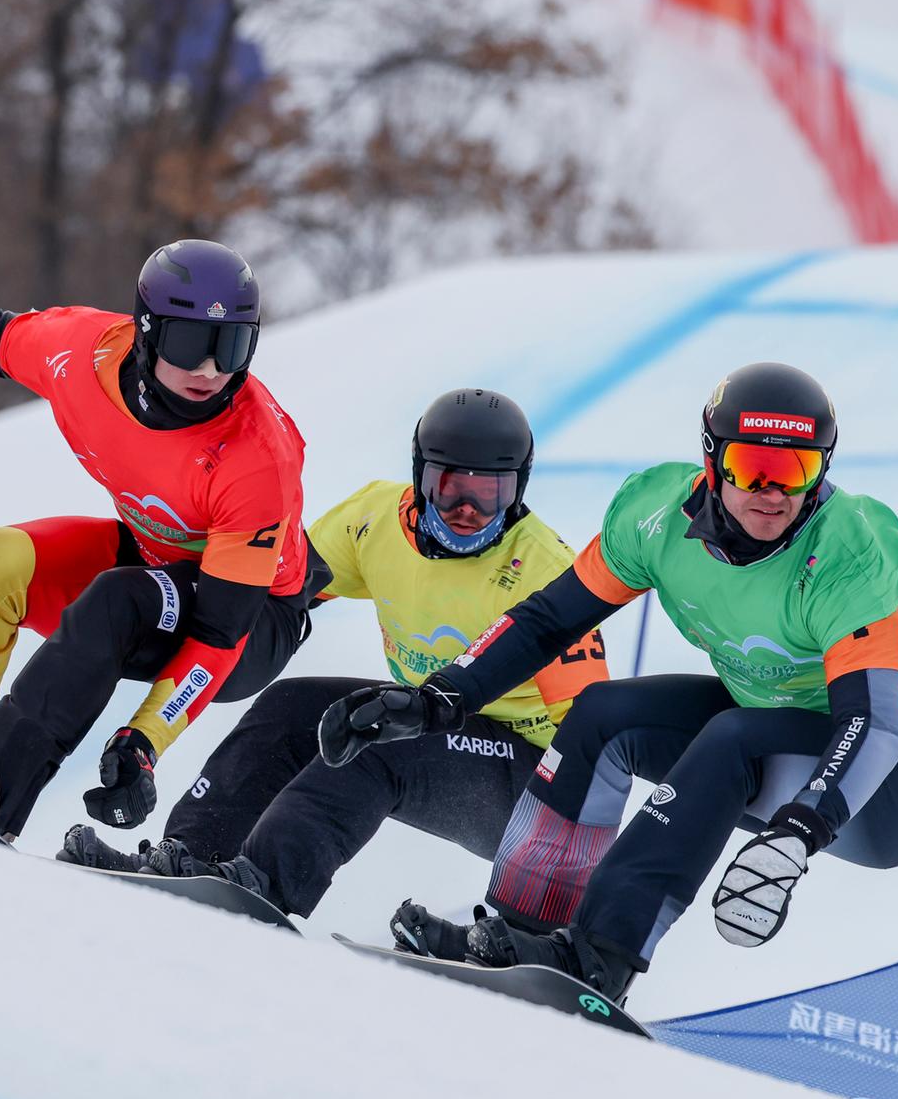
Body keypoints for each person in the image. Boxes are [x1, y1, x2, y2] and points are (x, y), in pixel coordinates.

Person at [317, 363, 898, 1001]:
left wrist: (801, 829)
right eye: (751, 467)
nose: (772, 492)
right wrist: (441, 697)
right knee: (604, 712)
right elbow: (547, 622)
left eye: (796, 471)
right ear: (711, 460)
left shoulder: (848, 552)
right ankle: (521, 931)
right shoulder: (654, 516)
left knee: (735, 736)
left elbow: (873, 723)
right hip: (774, 723)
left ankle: (602, 960)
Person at [0, 240, 328, 838]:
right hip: (156, 558)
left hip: (250, 617)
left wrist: (145, 739)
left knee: (119, 598)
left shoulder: (256, 457)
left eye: (231, 347)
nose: (211, 370)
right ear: (148, 331)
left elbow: (218, 632)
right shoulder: (84, 353)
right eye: (191, 345)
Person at [60, 388, 610, 922]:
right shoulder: (371, 523)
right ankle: (192, 855)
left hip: (531, 788)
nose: (466, 509)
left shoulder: (545, 570)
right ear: (420, 477)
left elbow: (595, 736)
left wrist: (579, 899)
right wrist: (169, 633)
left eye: (489, 493)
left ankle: (267, 885)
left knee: (378, 743)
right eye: (448, 487)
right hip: (436, 729)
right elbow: (271, 598)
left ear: (518, 490)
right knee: (290, 706)